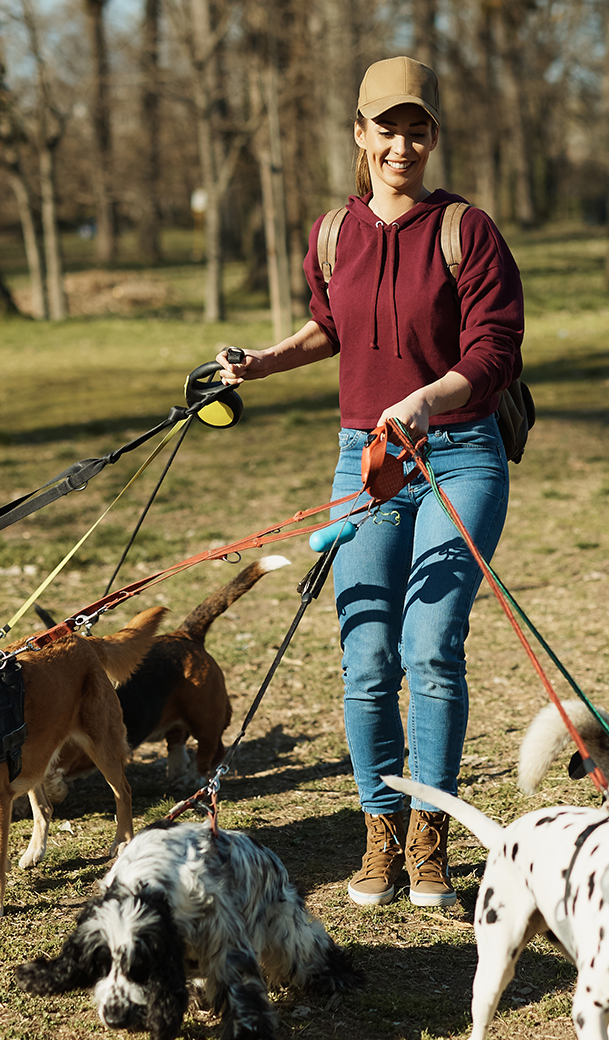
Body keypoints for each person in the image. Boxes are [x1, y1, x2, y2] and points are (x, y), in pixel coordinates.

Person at [214, 56, 523, 909]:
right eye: (387, 128)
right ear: (360, 133)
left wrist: (427, 401)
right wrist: (264, 361)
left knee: (430, 647)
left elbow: (495, 351)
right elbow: (330, 325)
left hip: (458, 453)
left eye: (417, 129)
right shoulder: (331, 233)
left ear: (432, 136)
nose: (402, 144)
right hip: (367, 460)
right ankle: (379, 832)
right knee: (365, 655)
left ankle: (431, 837)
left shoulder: (467, 230)